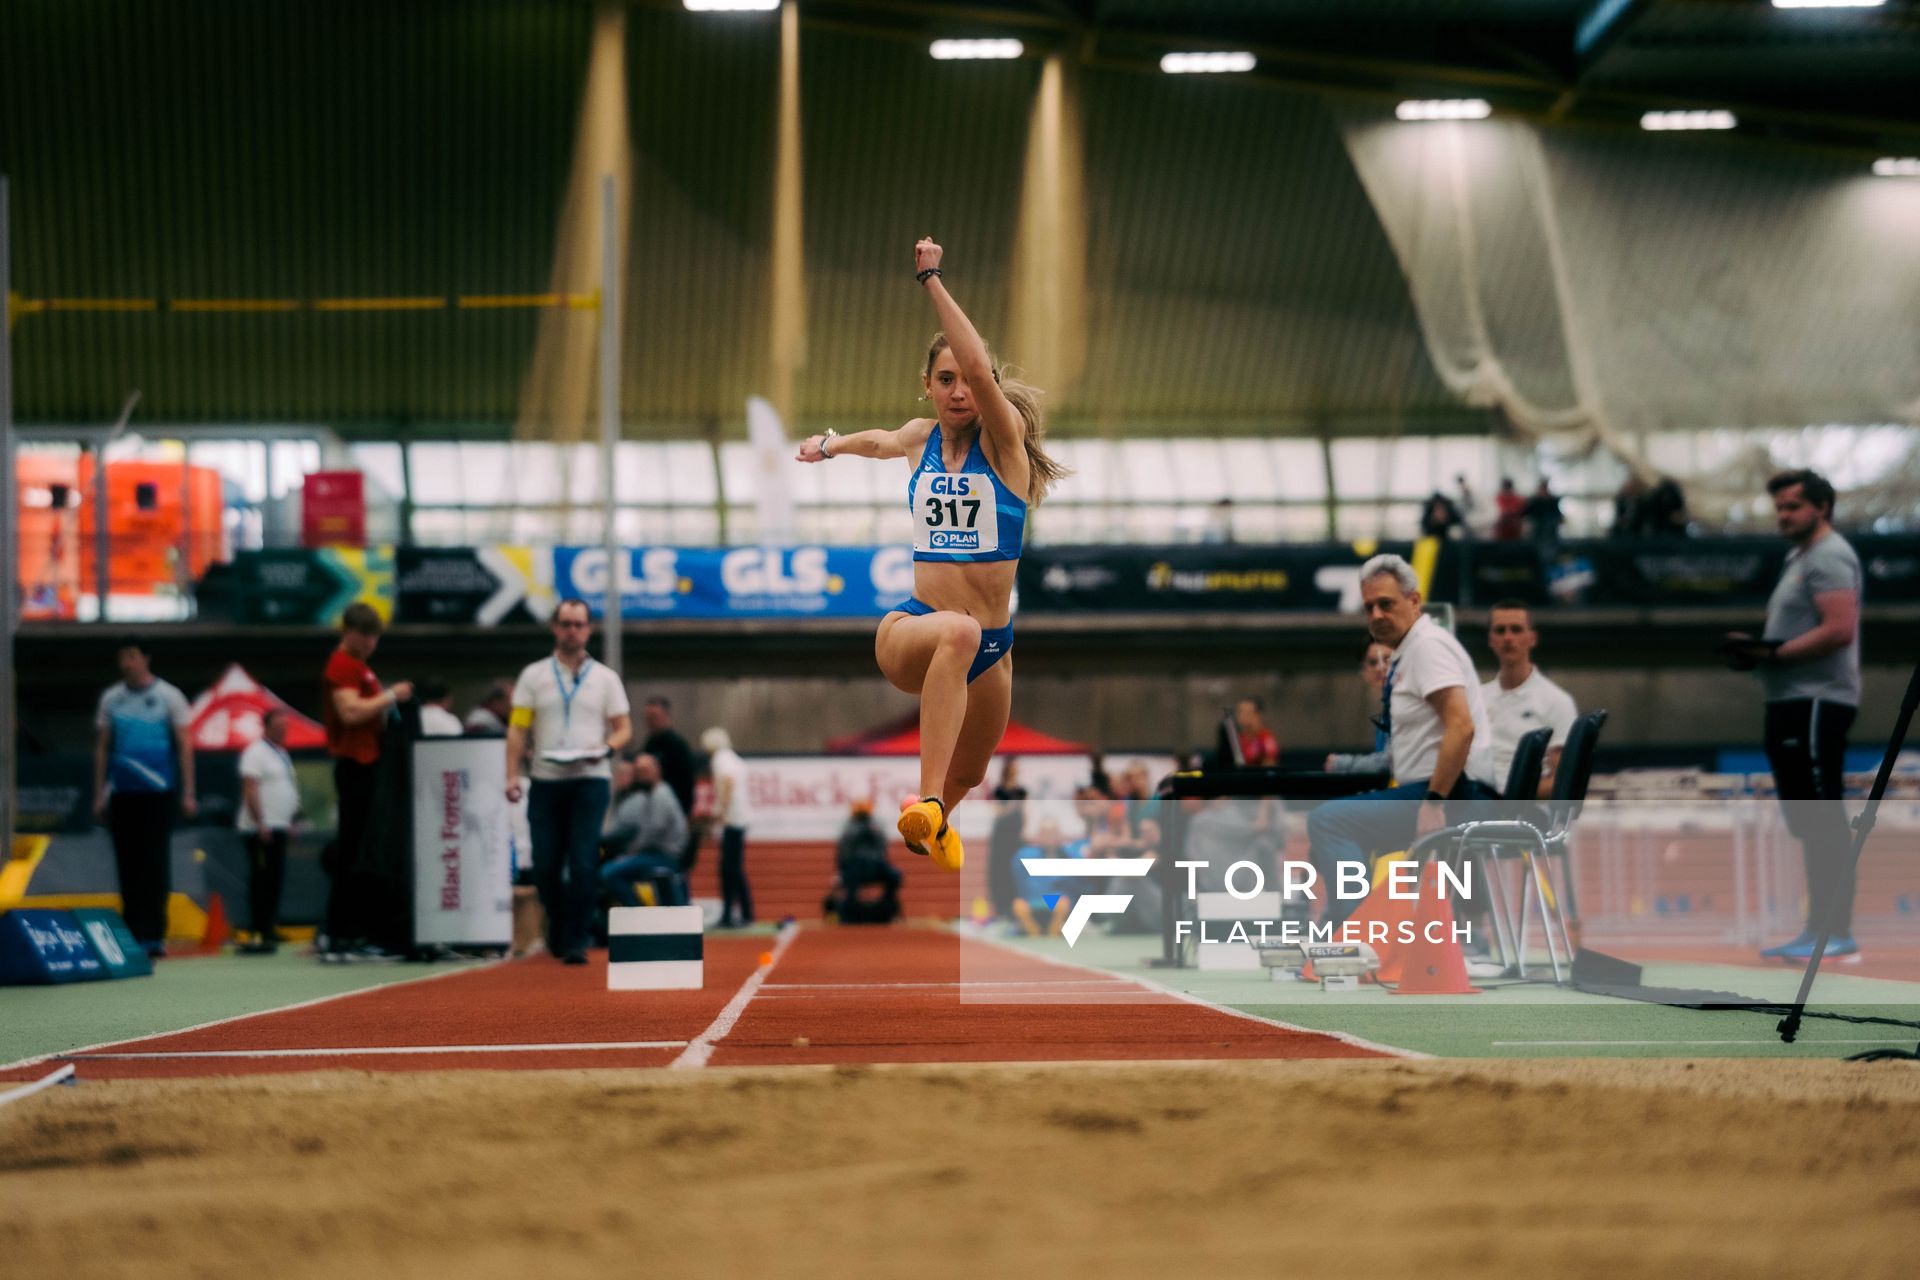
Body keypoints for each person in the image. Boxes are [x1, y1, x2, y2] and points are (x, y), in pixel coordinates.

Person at [795, 236, 1066, 871]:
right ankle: (926, 802)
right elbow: (880, 439)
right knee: (957, 634)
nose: (959, 391)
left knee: (969, 774)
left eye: (969, 381)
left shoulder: (1005, 446)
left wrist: (937, 287)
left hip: (993, 648)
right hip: (913, 628)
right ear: (928, 386)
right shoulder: (920, 440)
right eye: (944, 381)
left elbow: (976, 362)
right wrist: (829, 445)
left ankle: (937, 818)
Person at [1305, 555, 1500, 923]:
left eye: (1386, 604)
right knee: (1338, 832)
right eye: (1369, 607)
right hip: (1443, 791)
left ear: (1414, 601)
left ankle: (1363, 939)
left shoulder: (1427, 647)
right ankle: (1354, 928)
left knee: (1329, 822)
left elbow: (1462, 726)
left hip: (1455, 796)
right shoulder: (1412, 650)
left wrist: (1433, 801)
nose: (1376, 614)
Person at [1725, 469, 1863, 963]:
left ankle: (1835, 931)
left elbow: (1840, 629)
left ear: (1822, 507)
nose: (1783, 516)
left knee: (1823, 819)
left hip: (1816, 702)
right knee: (1808, 821)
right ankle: (1818, 928)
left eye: (1793, 507)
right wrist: (1763, 650)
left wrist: (1775, 655)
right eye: (1779, 508)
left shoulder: (1829, 556)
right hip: (1791, 702)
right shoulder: (1799, 557)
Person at [505, 598, 632, 965]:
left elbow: (624, 728)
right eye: (565, 623)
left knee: (582, 863)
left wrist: (606, 748)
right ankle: (558, 929)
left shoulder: (606, 679)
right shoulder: (533, 676)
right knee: (544, 864)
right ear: (554, 628)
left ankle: (577, 938)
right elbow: (517, 729)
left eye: (579, 624)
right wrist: (511, 775)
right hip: (546, 780)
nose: (572, 630)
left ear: (589, 629)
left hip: (590, 780)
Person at [92, 637, 195, 958]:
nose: (127, 663)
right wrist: (99, 793)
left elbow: (184, 746)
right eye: (122, 657)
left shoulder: (169, 696)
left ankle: (154, 934)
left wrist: (188, 791)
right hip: (123, 793)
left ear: (146, 659)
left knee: (154, 862)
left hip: (158, 792)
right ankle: (133, 933)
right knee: (128, 864)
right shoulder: (112, 698)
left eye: (132, 656)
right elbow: (103, 747)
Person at [321, 604, 411, 960]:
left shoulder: (359, 668)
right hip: (355, 766)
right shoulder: (342, 665)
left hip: (368, 765)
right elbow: (350, 711)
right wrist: (391, 696)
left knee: (363, 852)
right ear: (351, 634)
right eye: (368, 636)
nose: (373, 644)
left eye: (376, 637)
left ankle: (354, 932)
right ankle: (342, 935)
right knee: (354, 853)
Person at [1481, 601, 1579, 798]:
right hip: (1477, 799)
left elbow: (1562, 781)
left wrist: (1511, 796)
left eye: (1516, 630)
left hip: (1528, 811)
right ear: (1491, 639)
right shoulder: (1477, 698)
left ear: (1532, 638)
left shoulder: (1557, 701)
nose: (1508, 638)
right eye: (1500, 630)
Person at [236, 708, 299, 955]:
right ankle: (257, 928)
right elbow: (250, 788)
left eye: (286, 725)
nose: (283, 729)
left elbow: (287, 788)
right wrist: (260, 822)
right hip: (260, 828)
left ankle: (269, 926)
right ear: (267, 726)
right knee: (261, 878)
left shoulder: (281, 753)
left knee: (275, 878)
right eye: (279, 725)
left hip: (279, 825)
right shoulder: (255, 752)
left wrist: (290, 819)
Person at [599, 753, 689, 909]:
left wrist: (631, 852)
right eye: (639, 771)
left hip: (663, 856)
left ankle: (637, 912)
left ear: (657, 769)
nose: (642, 774)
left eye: (645, 769)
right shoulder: (653, 794)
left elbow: (652, 832)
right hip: (658, 853)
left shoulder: (660, 795)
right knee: (612, 869)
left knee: (609, 872)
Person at [702, 726, 753, 927]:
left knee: (728, 869)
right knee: (734, 868)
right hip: (739, 818)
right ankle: (745, 911)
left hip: (733, 819)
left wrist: (721, 810)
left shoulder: (720, 760)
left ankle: (729, 914)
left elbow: (728, 781)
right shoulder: (733, 758)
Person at [639, 696, 698, 867]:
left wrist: (684, 815)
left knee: (674, 862)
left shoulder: (677, 746)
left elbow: (688, 785)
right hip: (652, 814)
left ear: (666, 716)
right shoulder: (649, 744)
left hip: (673, 815)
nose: (650, 722)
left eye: (654, 717)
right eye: (648, 718)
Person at [823, 800, 903, 923]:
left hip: (876, 865)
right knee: (850, 883)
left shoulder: (876, 826)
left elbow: (883, 846)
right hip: (854, 867)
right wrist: (841, 870)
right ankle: (849, 914)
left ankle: (887, 906)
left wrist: (873, 831)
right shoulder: (849, 827)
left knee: (895, 876)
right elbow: (843, 851)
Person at [1326, 639, 1393, 775]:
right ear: (1364, 672)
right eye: (1373, 662)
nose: (1381, 668)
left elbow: (1391, 761)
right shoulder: (1384, 713)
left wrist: (1340, 763)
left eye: (1387, 659)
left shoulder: (1407, 704)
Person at [1233, 698, 1279, 766]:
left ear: (1258, 715)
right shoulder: (1237, 738)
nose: (1242, 716)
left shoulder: (1265, 738)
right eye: (1240, 712)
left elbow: (1269, 767)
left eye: (1248, 713)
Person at [1523, 479, 1563, 544]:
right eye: (1542, 488)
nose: (1544, 491)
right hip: (1537, 529)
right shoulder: (1534, 501)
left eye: (1545, 488)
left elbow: (1558, 515)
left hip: (1550, 529)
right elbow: (1526, 514)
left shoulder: (1552, 501)